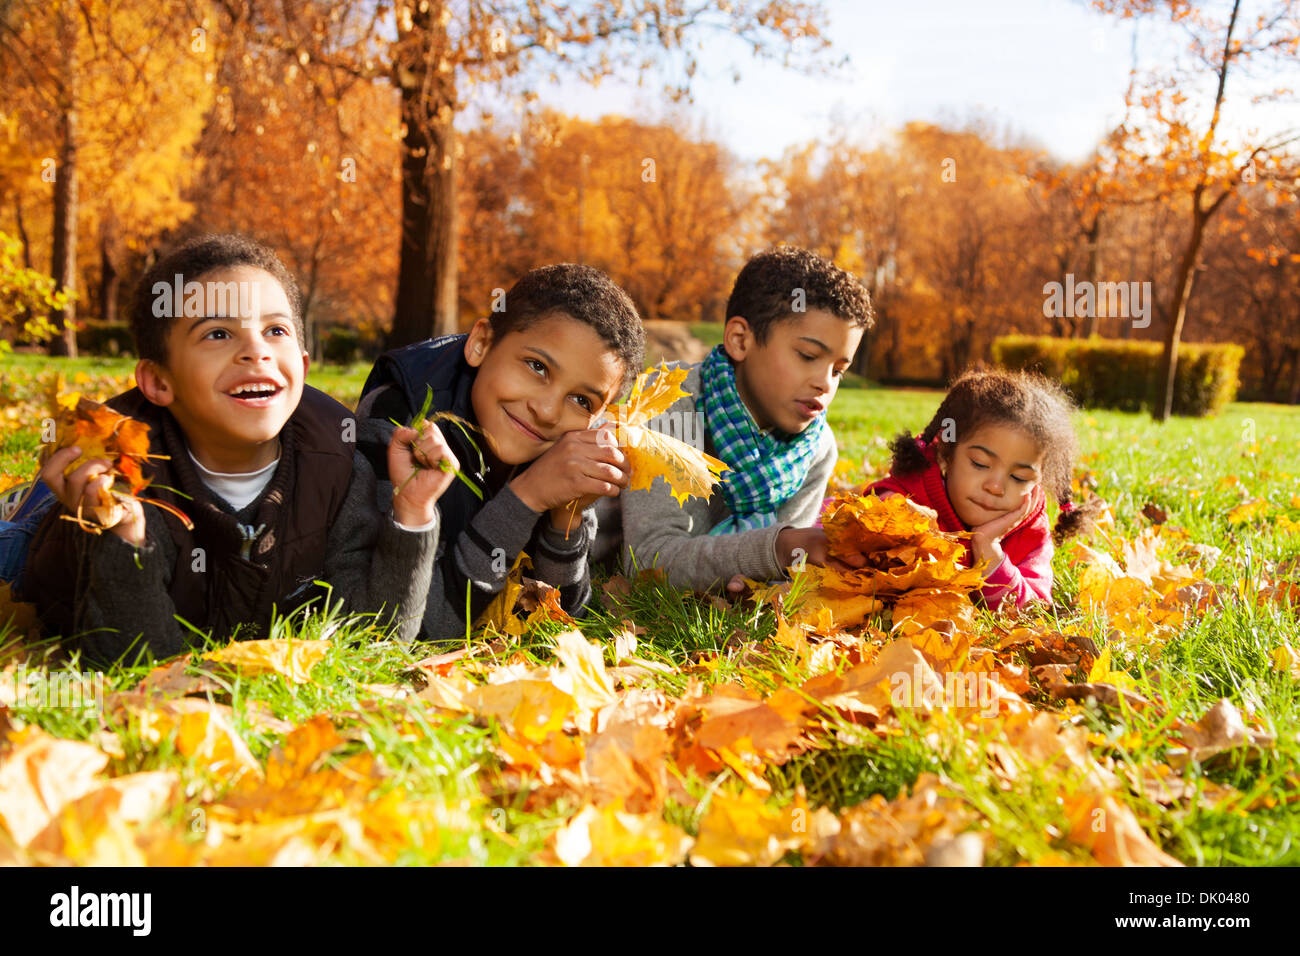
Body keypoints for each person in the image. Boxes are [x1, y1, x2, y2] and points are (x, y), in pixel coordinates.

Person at [22, 234, 452, 663]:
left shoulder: (337, 469)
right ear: (159, 381)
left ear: (302, 368)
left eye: (275, 330)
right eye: (218, 333)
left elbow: (376, 641)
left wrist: (412, 516)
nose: (256, 351)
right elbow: (135, 666)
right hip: (33, 545)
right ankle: (23, 505)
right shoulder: (123, 482)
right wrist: (123, 538)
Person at [356, 263, 645, 640]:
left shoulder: (566, 443)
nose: (546, 411)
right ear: (481, 344)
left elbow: (560, 620)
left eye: (581, 399)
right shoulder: (402, 418)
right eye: (537, 367)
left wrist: (566, 519)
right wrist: (526, 497)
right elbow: (411, 630)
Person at [617, 246, 874, 593]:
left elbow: (784, 573)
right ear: (740, 340)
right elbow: (647, 561)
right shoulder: (668, 406)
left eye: (839, 370)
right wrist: (778, 548)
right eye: (808, 355)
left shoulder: (816, 448)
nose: (825, 382)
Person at [867, 366, 1100, 610]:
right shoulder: (906, 499)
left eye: (1019, 478)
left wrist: (989, 550)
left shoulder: (1031, 532)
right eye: (980, 464)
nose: (996, 487)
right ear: (946, 454)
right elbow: (849, 528)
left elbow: (1032, 610)